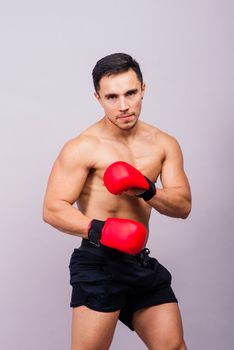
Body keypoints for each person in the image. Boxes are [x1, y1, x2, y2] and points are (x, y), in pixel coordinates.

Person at [43, 53, 192, 350]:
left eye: (130, 94)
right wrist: (102, 230)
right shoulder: (83, 147)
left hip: (139, 264)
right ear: (97, 97)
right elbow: (52, 208)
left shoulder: (164, 143)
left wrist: (147, 189)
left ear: (143, 89)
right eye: (111, 97)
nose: (123, 106)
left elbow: (183, 206)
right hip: (98, 263)